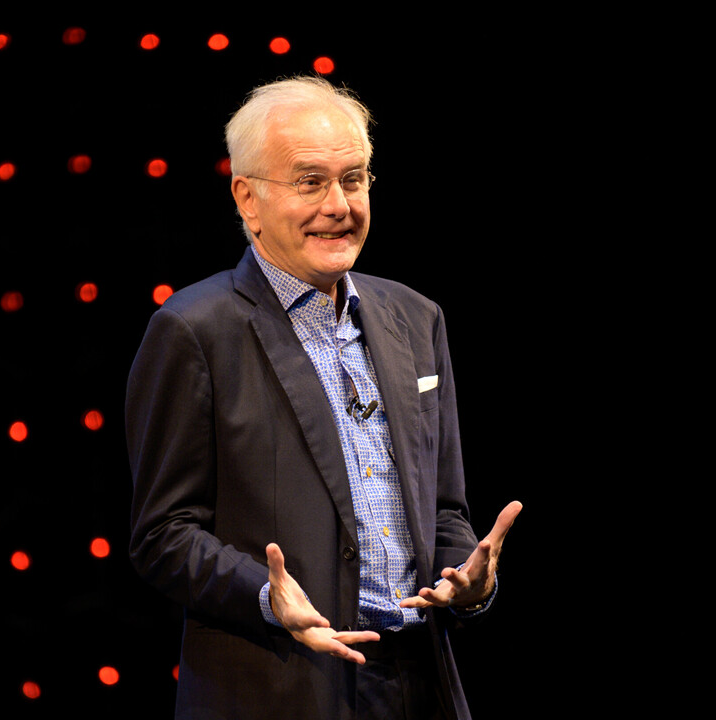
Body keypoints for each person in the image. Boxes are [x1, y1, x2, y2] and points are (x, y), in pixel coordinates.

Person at [125, 75, 521, 720]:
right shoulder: (194, 330)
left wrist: (467, 579)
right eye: (310, 183)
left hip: (419, 681)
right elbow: (163, 535)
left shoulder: (416, 317)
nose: (339, 206)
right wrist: (265, 595)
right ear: (248, 199)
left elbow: (445, 511)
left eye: (354, 179)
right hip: (279, 686)